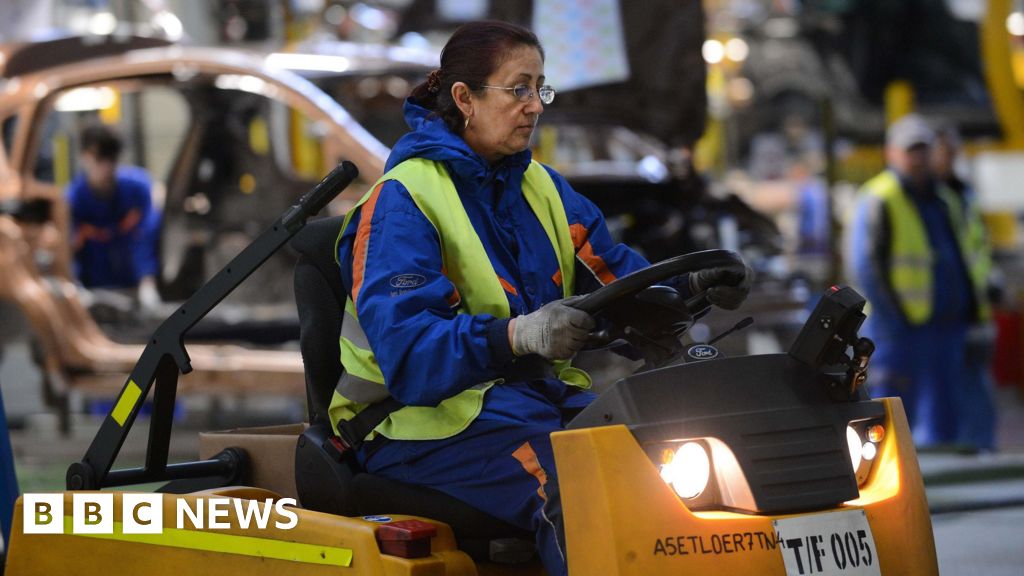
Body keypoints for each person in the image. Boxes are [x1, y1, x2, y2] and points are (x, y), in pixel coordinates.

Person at [331, 21, 752, 575]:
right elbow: (409, 354)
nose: (535, 106)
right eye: (519, 88)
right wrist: (519, 334)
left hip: (524, 407)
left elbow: (616, 278)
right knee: (580, 488)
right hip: (418, 426)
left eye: (540, 88)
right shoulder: (401, 203)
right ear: (466, 99)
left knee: (667, 455)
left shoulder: (543, 189)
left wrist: (688, 285)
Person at [848, 114, 989, 448]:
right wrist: (893, 318)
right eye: (911, 150)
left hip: (945, 326)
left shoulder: (945, 199)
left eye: (924, 149)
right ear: (892, 153)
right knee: (892, 417)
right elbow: (864, 265)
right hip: (899, 330)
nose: (919, 157)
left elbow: (965, 255)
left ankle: (941, 482)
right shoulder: (879, 197)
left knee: (945, 414)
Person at [932, 122, 998, 452]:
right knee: (946, 393)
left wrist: (988, 285)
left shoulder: (961, 193)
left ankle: (980, 451)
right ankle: (958, 452)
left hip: (970, 307)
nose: (948, 156)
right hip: (937, 314)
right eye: (944, 149)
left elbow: (975, 250)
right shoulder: (926, 198)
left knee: (976, 385)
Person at [67, 125, 160, 309]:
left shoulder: (138, 189)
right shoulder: (72, 200)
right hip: (93, 293)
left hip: (134, 289)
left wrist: (147, 282)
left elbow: (146, 236)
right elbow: (68, 250)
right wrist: (74, 287)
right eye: (100, 159)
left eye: (112, 159)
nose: (107, 167)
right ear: (85, 156)